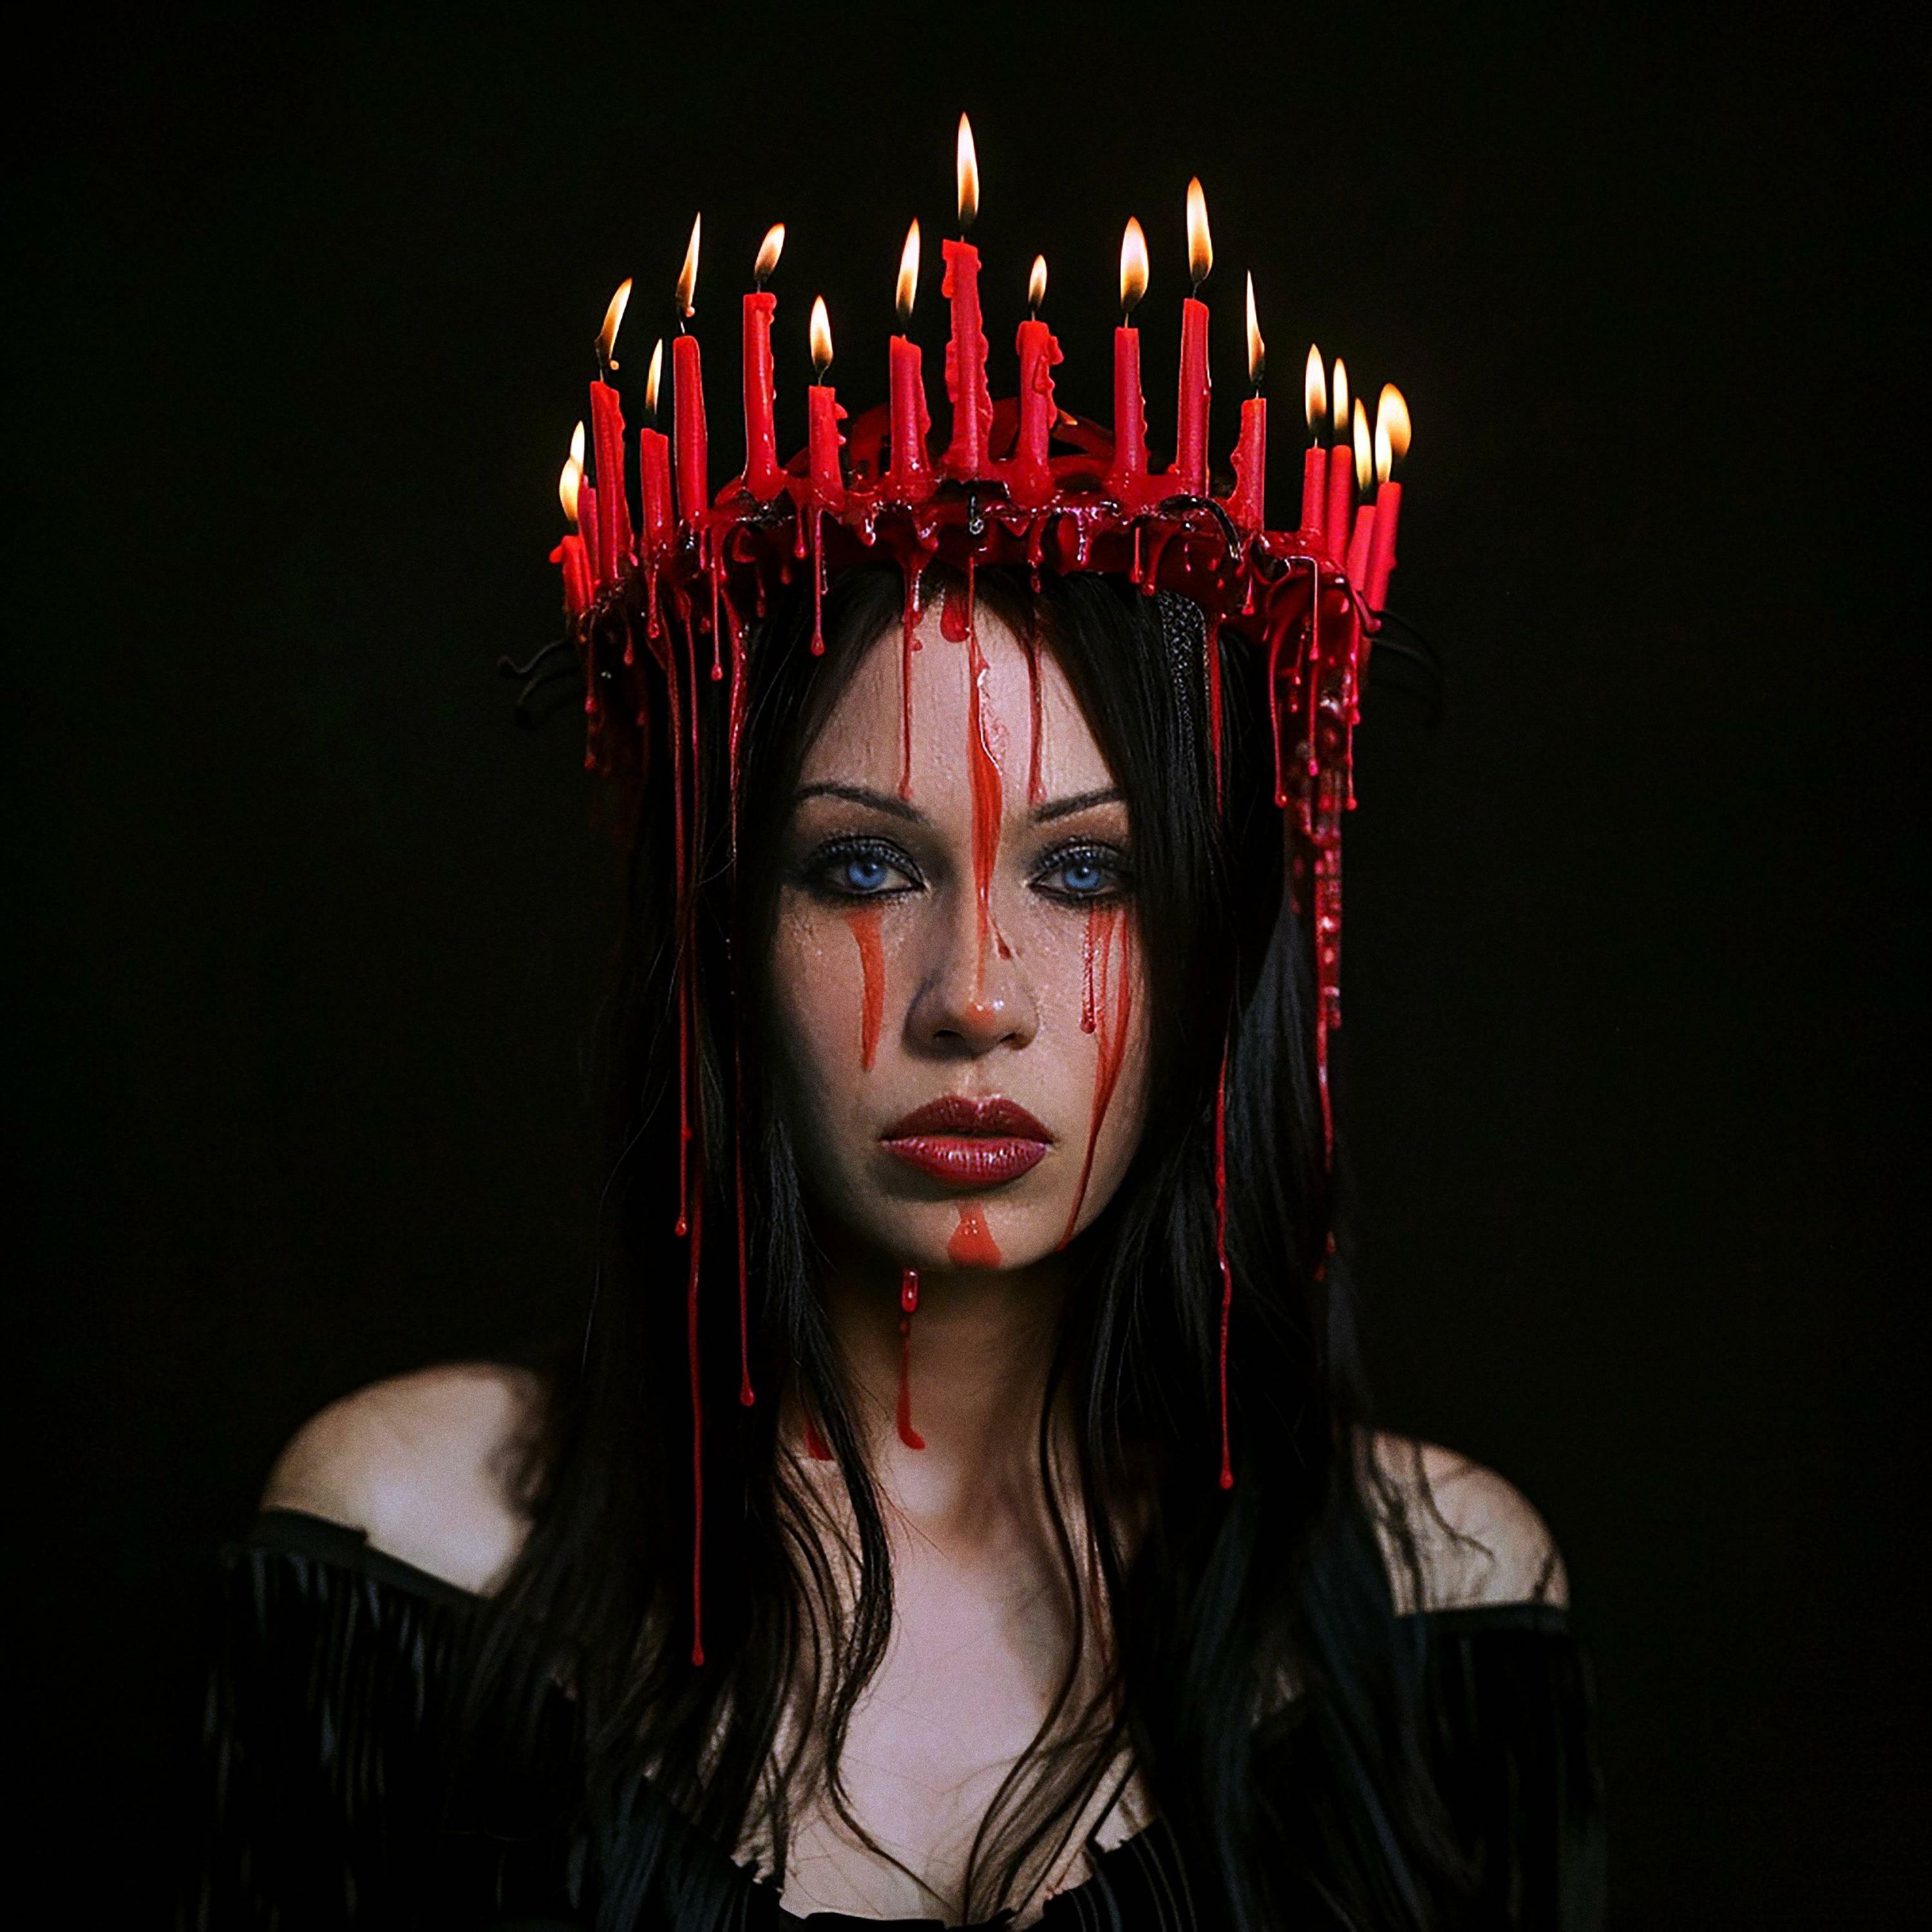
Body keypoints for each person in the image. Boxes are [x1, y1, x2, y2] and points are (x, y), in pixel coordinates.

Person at [183, 562, 1604, 1928]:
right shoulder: (417, 1544)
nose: (975, 999)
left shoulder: (1437, 1593)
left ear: (1218, 950)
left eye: (1089, 872)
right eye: (862, 867)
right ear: (723, 930)